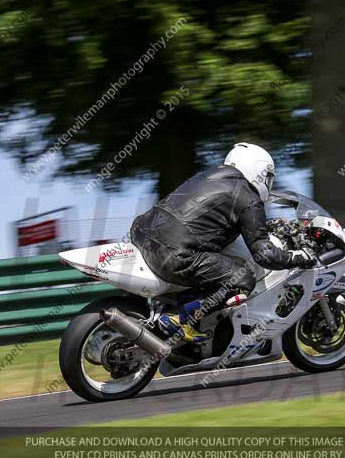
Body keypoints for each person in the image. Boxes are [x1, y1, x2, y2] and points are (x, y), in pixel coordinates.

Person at [130, 142, 316, 342]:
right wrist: (299, 257)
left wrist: (267, 225)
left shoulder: (207, 175)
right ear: (258, 169)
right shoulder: (248, 196)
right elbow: (264, 255)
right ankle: (180, 317)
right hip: (173, 253)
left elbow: (204, 215)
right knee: (242, 278)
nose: (268, 183)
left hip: (142, 234)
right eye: (268, 176)